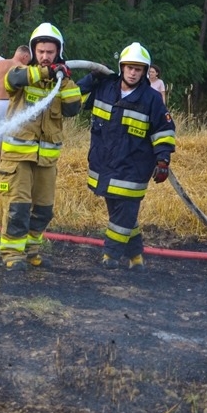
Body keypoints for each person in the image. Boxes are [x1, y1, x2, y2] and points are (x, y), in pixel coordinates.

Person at [76, 43, 176, 271]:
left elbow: (164, 131)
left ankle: (110, 255)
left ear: (145, 72)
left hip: (134, 168)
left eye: (138, 69)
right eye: (130, 67)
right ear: (121, 67)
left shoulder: (151, 99)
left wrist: (163, 160)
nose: (133, 73)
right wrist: (90, 80)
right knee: (119, 212)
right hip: (104, 164)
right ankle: (136, 256)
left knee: (125, 212)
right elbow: (72, 100)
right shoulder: (105, 88)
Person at [0, 23, 81, 271]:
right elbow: (12, 80)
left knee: (43, 211)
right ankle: (12, 255)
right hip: (17, 159)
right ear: (34, 51)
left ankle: (31, 250)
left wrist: (65, 79)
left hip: (46, 161)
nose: (45, 56)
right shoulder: (21, 71)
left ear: (58, 53)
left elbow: (74, 108)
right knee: (17, 208)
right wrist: (45, 72)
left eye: (50, 52)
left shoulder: (61, 81)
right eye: (41, 51)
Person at [0, 45, 31, 136]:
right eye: (28, 60)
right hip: (16, 107)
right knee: (10, 139)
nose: (28, 63)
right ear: (25, 56)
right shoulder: (26, 70)